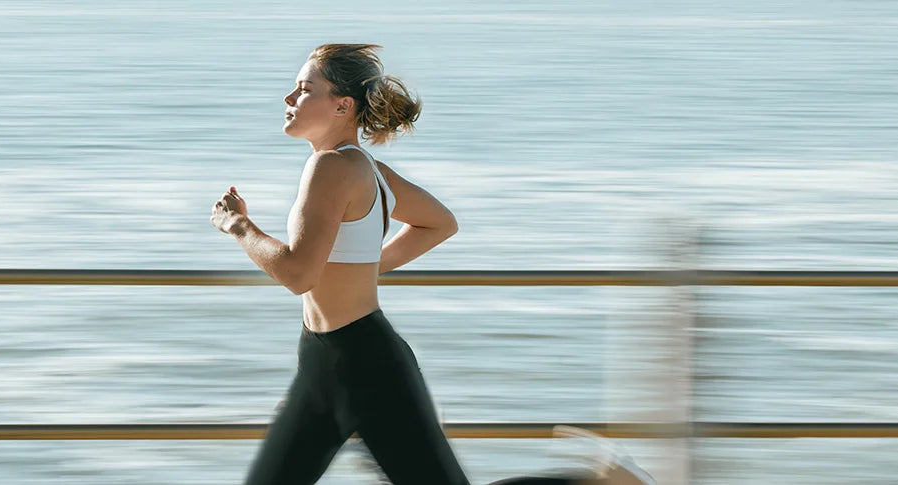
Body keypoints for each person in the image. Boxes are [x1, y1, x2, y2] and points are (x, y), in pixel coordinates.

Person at [210, 44, 654, 485]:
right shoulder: (369, 168)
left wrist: (238, 225)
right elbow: (439, 223)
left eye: (305, 89)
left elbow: (298, 273)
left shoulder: (329, 167)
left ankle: (603, 480)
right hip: (326, 361)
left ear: (343, 105)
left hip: (365, 366)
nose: (289, 99)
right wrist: (366, 266)